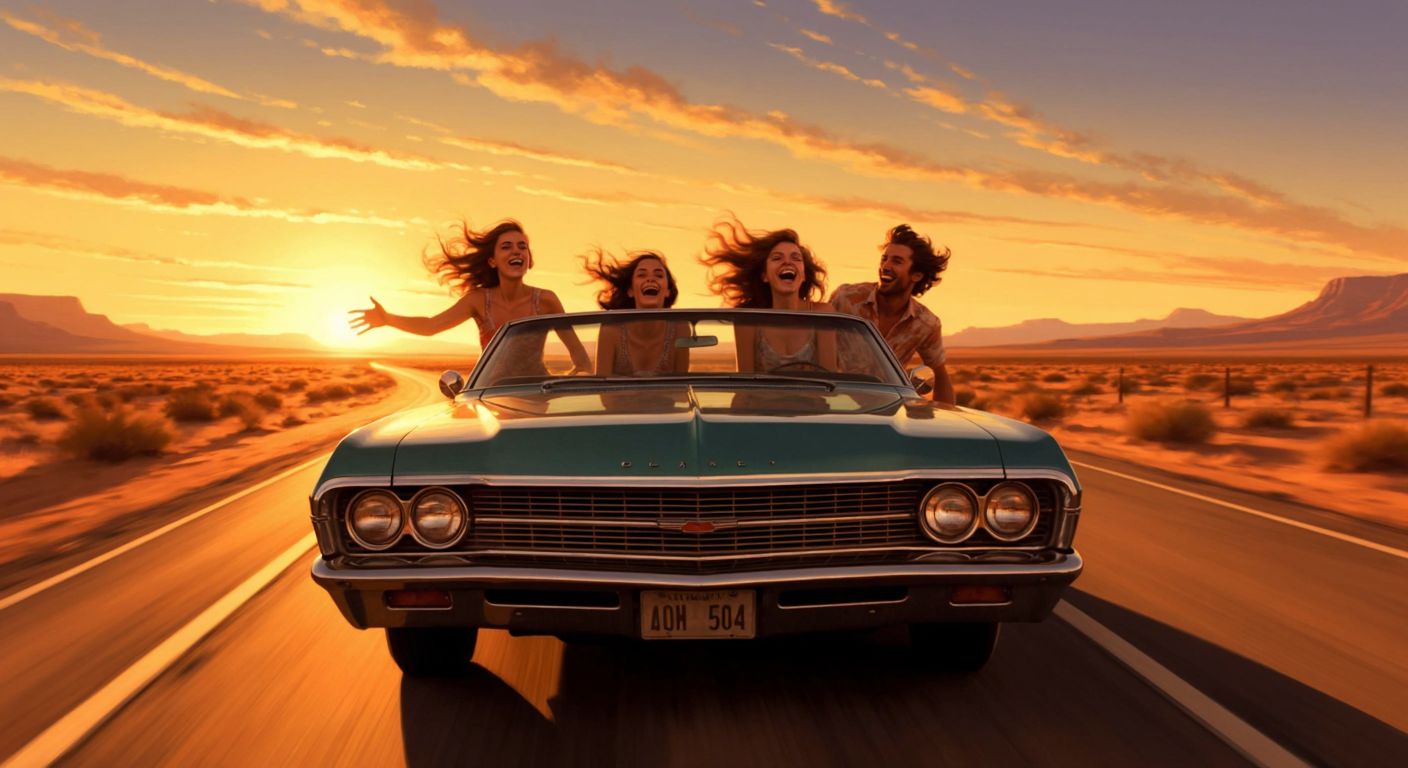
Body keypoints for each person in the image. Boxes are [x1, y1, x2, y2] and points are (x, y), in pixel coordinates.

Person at [348, 219, 591, 375]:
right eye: (506, 246)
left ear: (529, 260)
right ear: (492, 261)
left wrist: (558, 390)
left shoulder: (546, 300)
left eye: (522, 246)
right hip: (489, 396)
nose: (516, 250)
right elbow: (432, 325)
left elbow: (581, 359)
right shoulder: (477, 300)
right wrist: (388, 319)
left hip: (537, 394)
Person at [829, 224, 955, 404]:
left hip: (886, 407)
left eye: (897, 261)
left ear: (917, 275)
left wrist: (946, 422)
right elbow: (813, 342)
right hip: (836, 403)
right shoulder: (847, 299)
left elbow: (940, 374)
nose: (885, 266)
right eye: (884, 259)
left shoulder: (926, 323)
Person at [700, 217, 837, 372]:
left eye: (796, 258)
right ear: (764, 275)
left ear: (804, 275)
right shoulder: (748, 320)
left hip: (812, 397)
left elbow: (831, 383)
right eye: (777, 258)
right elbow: (746, 384)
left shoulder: (822, 314)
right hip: (759, 397)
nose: (787, 262)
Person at [583, 249, 690, 376]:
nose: (650, 279)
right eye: (642, 275)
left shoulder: (680, 328)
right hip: (617, 397)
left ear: (668, 291)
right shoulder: (611, 329)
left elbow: (681, 388)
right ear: (631, 291)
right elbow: (601, 389)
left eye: (659, 275)